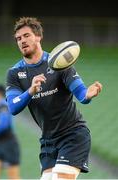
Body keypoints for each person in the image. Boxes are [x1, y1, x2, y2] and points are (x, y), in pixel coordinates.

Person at [6, 17, 102, 180]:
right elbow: (13, 107)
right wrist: (30, 91)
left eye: (26, 35)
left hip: (73, 134)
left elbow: (81, 95)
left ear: (38, 37)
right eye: (18, 38)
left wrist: (88, 94)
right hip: (48, 141)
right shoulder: (15, 73)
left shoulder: (60, 63)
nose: (22, 41)